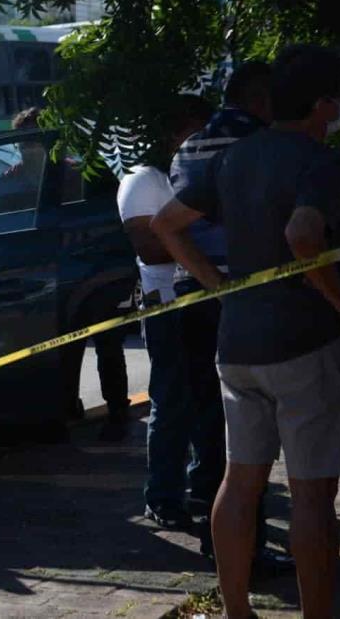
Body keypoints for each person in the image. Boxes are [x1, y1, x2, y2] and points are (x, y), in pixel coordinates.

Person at [153, 45, 340, 619]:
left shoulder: (236, 158)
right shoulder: (318, 161)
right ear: (321, 104)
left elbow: (168, 225)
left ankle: (237, 611)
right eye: (338, 98)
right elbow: (302, 233)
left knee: (240, 480)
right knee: (313, 491)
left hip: (237, 342)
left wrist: (216, 283)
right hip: (303, 342)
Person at [167, 60, 278, 558]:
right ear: (260, 99)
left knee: (211, 422)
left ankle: (223, 548)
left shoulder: (190, 147)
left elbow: (172, 227)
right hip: (247, 296)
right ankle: (246, 549)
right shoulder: (262, 145)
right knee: (251, 434)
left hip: (193, 296)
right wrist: (226, 286)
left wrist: (208, 283)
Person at [117, 94, 217, 530]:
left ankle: (203, 490)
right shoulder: (145, 180)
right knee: (172, 405)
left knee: (208, 406)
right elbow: (152, 249)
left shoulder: (197, 177)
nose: (201, 142)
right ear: (171, 135)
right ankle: (162, 497)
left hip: (202, 304)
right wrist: (200, 236)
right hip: (170, 309)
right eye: (193, 132)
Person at [15, 105, 131, 441]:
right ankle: (66, 407)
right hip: (50, 276)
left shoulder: (81, 175)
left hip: (91, 272)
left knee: (107, 344)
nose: (29, 150)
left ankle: (118, 412)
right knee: (65, 349)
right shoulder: (13, 179)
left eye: (34, 142)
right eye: (25, 144)